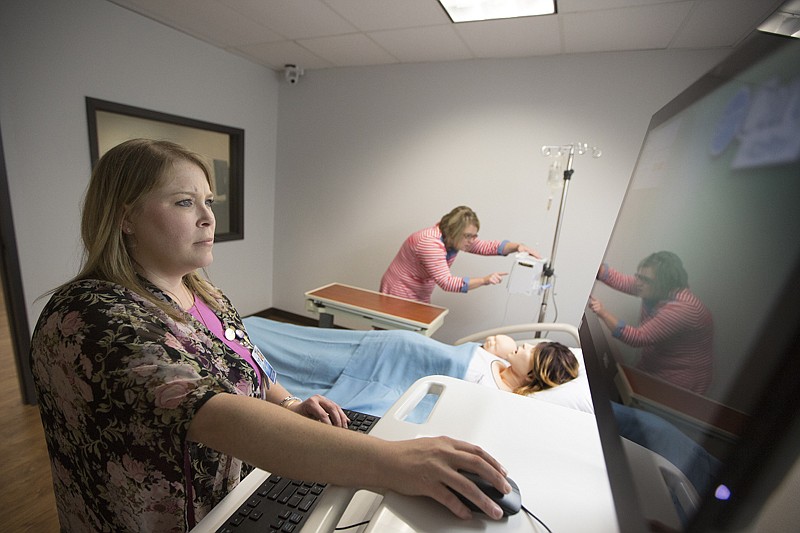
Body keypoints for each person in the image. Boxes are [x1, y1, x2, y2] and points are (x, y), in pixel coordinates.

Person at [29, 139, 512, 532]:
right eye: (183, 202)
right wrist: (394, 462)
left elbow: (248, 361)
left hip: (234, 498)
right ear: (124, 216)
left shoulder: (201, 292)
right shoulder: (92, 315)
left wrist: (285, 404)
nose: (207, 217)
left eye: (208, 202)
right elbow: (214, 414)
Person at [242, 317, 593, 416]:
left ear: (534, 373)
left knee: (303, 378)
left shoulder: (501, 398)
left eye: (534, 349)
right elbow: (493, 343)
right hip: (383, 349)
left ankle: (246, 374)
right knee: (302, 347)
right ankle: (243, 333)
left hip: (394, 379)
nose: (527, 344)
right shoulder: (498, 356)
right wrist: (504, 347)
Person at [588, 251, 714, 394]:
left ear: (663, 284)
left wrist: (602, 312)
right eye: (639, 277)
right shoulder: (656, 289)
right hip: (657, 363)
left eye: (645, 280)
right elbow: (621, 280)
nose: (638, 283)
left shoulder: (683, 309)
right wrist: (591, 263)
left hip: (680, 379)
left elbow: (637, 337)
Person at [380, 205, 540, 303]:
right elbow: (447, 283)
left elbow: (485, 246)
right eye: (468, 236)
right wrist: (484, 280)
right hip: (399, 291)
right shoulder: (430, 243)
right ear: (455, 232)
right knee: (392, 340)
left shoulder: (453, 239)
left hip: (419, 291)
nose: (472, 240)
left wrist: (518, 246)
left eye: (474, 236)